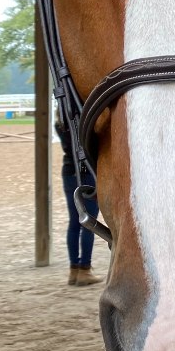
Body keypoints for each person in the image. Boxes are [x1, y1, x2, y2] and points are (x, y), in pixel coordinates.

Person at [55, 121, 101, 287]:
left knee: (74, 222)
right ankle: (85, 269)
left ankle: (74, 269)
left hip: (69, 171)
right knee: (88, 223)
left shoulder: (60, 123)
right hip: (87, 171)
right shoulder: (82, 122)